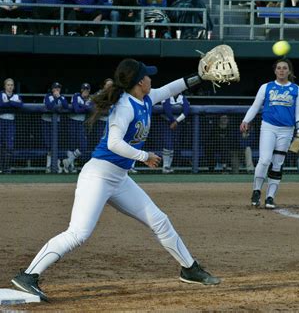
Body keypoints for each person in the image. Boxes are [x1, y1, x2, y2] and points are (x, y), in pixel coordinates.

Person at [11, 58, 220, 302]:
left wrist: (200, 76)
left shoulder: (145, 98)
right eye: (148, 76)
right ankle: (28, 275)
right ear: (140, 82)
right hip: (99, 175)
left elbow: (172, 89)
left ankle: (189, 268)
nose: (152, 79)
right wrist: (144, 156)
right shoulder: (125, 106)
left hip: (119, 177)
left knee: (159, 220)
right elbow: (113, 143)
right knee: (78, 233)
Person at [240, 58, 299, 209]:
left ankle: (270, 197)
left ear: (289, 71)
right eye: (279, 68)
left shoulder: (296, 89)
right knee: (264, 160)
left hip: (287, 130)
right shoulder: (266, 87)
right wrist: (246, 120)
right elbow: (255, 106)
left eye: (284, 68)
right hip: (269, 127)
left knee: (277, 164)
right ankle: (256, 191)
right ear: (275, 71)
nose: (281, 70)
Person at [62, 82, 92, 173]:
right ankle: (70, 167)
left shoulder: (90, 99)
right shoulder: (76, 96)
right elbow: (76, 109)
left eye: (87, 89)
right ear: (81, 90)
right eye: (84, 89)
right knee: (72, 144)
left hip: (81, 123)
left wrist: (82, 106)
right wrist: (85, 107)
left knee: (83, 146)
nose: (85, 91)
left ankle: (68, 161)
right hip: (72, 122)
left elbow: (91, 109)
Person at [0, 78, 23, 173]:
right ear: (5, 86)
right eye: (8, 85)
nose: (10, 87)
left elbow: (20, 105)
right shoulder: (0, 94)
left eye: (11, 85)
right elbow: (0, 104)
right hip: (0, 121)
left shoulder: (16, 96)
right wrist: (12, 104)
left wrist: (9, 102)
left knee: (9, 145)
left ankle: (7, 168)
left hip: (10, 122)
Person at [42, 82, 69, 173]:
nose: (57, 89)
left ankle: (54, 165)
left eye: (58, 88)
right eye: (55, 88)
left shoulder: (62, 97)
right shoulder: (48, 96)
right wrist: (55, 98)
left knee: (55, 144)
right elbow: (49, 106)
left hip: (56, 123)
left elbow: (66, 106)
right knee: (48, 144)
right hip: (46, 123)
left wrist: (59, 97)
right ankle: (49, 166)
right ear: (52, 89)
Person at [160, 92, 190, 173]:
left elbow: (187, 109)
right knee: (168, 143)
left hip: (177, 124)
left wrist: (176, 121)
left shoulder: (182, 97)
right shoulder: (166, 95)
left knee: (173, 144)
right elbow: (167, 109)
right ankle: (165, 166)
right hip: (167, 123)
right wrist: (173, 121)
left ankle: (168, 167)